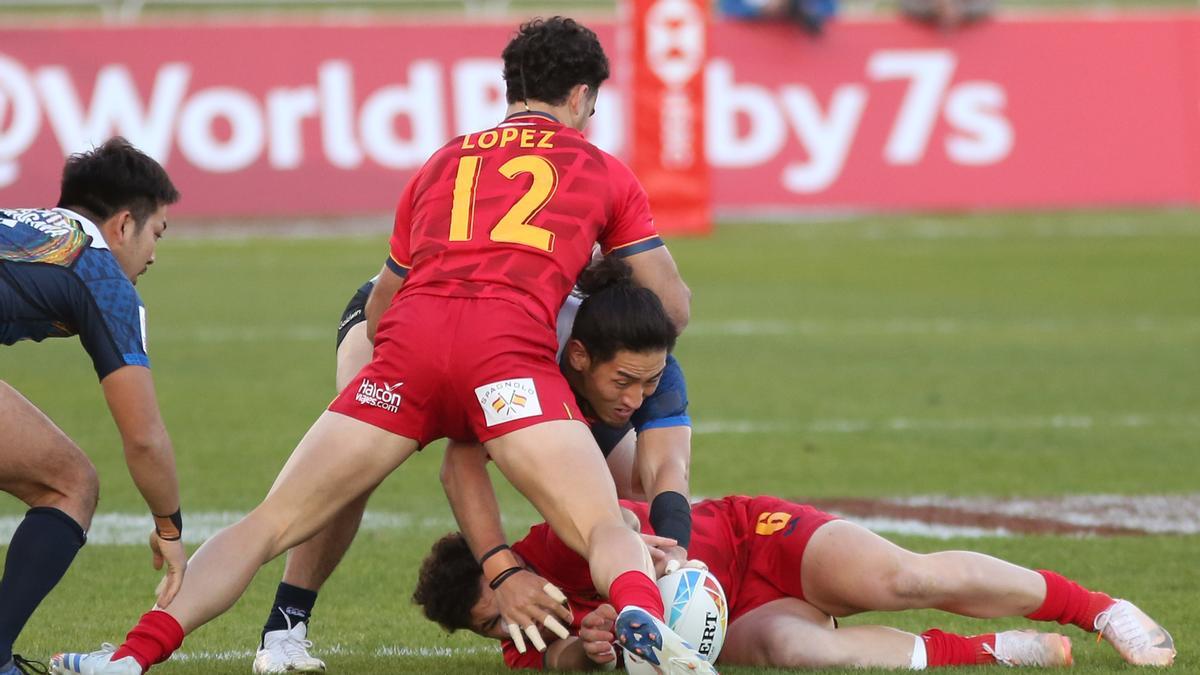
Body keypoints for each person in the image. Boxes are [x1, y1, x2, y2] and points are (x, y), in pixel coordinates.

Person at [51, 16, 712, 675]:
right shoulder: (603, 169)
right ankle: (643, 619)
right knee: (600, 525)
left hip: (409, 348)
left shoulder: (443, 161)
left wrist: (406, 374)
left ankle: (131, 656)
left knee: (270, 521)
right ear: (579, 98)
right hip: (508, 355)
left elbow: (380, 306)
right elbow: (672, 303)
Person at [251, 257, 694, 673]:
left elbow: (666, 470)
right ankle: (286, 624)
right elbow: (462, 461)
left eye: (648, 381)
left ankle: (629, 597)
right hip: (419, 316)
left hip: (507, 345)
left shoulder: (645, 357)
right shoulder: (540, 350)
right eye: (625, 381)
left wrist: (679, 557)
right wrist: (503, 570)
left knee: (627, 486)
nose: (639, 396)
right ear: (580, 356)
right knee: (353, 465)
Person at [414, 495, 1177, 670]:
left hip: (754, 542)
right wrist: (588, 648)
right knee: (799, 649)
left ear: (508, 563)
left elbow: (625, 517)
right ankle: (993, 649)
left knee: (901, 574)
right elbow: (556, 664)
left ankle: (1100, 608)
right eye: (493, 628)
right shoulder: (525, 640)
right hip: (744, 614)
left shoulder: (561, 535)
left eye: (503, 600)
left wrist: (646, 577)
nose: (515, 620)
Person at [0, 138, 186, 675]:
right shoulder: (100, 272)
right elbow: (144, 436)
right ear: (124, 224)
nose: (153, 254)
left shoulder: (28, 223)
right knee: (70, 484)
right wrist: (169, 530)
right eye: (156, 233)